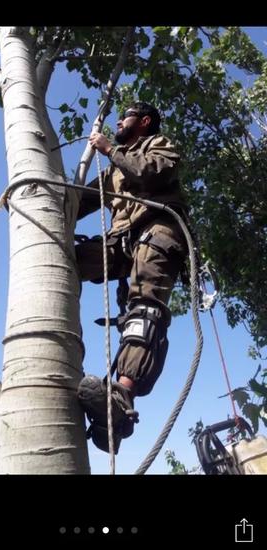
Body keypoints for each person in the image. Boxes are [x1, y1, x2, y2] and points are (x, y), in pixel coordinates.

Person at [75, 102, 188, 454]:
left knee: (144, 310)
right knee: (69, 260)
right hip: (121, 242)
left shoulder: (158, 144)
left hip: (157, 230)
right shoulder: (110, 173)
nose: (119, 122)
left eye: (125, 117)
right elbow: (79, 203)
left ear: (145, 121)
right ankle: (113, 418)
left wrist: (110, 149)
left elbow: (152, 173)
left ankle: (121, 396)